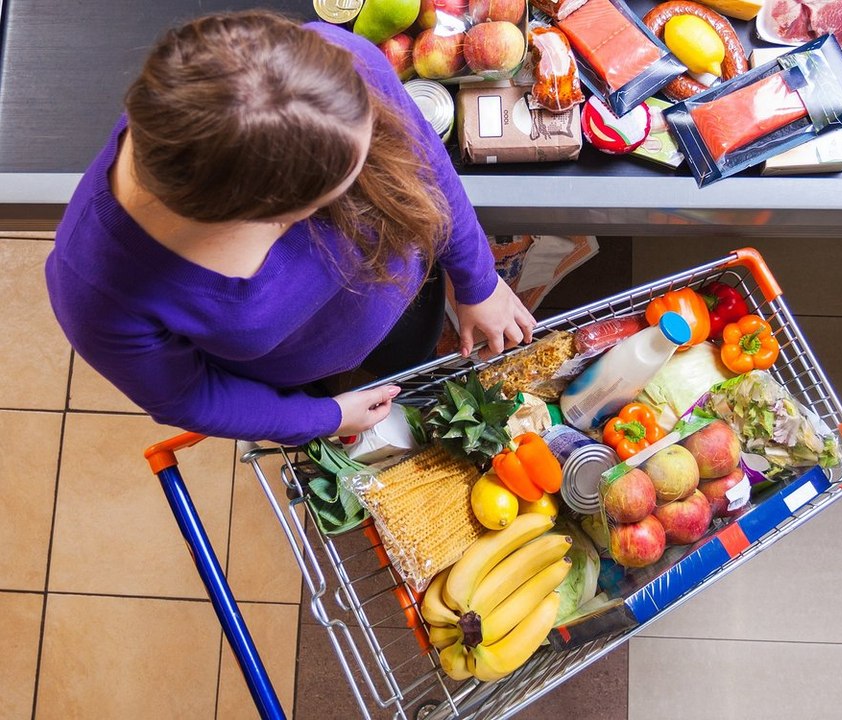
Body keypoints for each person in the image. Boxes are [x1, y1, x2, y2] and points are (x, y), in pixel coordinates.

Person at [45, 10, 536, 445]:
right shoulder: (97, 295)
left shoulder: (327, 66)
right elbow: (187, 395)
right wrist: (321, 416)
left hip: (406, 299)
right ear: (270, 218)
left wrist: (477, 279)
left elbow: (423, 162)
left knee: (411, 351)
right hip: (291, 373)